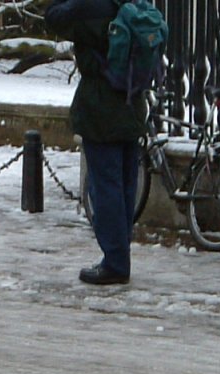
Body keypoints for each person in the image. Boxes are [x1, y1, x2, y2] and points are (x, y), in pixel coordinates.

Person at [45, 0, 147, 286]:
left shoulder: (90, 7)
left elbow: (53, 18)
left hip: (101, 105)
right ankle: (120, 255)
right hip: (132, 101)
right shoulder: (130, 4)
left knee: (105, 188)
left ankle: (115, 262)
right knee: (125, 186)